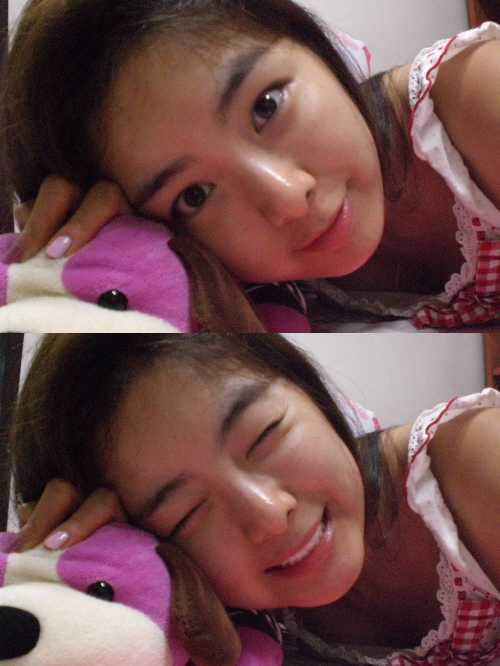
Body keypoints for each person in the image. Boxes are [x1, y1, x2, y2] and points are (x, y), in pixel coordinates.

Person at [2, 0, 500, 329]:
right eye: (194, 196)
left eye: (267, 105)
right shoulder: (274, 303)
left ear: (312, 45)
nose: (289, 197)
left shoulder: (476, 100)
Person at [8, 333, 500, 664]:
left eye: (265, 435)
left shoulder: (474, 462)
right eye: (186, 515)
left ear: (309, 392)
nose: (270, 514)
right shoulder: (234, 629)